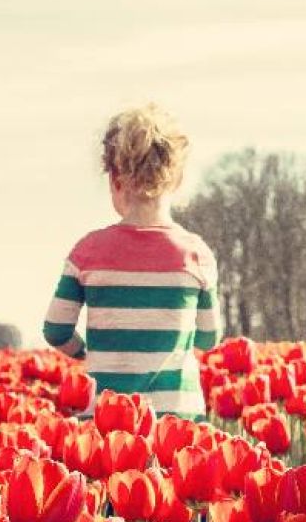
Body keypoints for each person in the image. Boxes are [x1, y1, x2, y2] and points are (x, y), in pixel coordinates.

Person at [42, 103, 221, 419]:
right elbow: (209, 337)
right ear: (177, 180)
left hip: (105, 418)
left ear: (115, 180)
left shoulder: (88, 252)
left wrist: (88, 353)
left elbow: (55, 330)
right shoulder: (195, 254)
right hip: (176, 417)